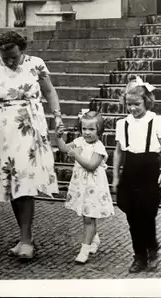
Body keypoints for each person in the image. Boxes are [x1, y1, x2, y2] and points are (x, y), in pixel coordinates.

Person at [0, 31, 63, 260]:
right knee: (11, 183)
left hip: (29, 127)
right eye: (5, 58)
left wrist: (58, 117)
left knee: (24, 180)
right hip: (4, 131)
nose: (9, 62)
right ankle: (25, 237)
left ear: (21, 49)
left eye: (13, 56)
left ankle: (26, 240)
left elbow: (49, 91)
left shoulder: (36, 64)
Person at [113, 75, 161, 273]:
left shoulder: (156, 121)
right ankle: (139, 256)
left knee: (147, 215)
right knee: (132, 217)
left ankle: (152, 248)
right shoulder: (123, 124)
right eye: (129, 105)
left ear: (146, 102)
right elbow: (119, 151)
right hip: (130, 170)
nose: (132, 109)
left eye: (136, 104)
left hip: (149, 170)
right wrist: (115, 176)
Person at [56, 111, 115, 264]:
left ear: (99, 130)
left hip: (94, 186)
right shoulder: (79, 141)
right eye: (84, 129)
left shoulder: (99, 148)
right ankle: (94, 238)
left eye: (91, 129)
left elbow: (90, 166)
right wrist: (59, 136)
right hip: (81, 185)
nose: (87, 133)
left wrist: (76, 156)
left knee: (89, 217)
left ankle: (84, 249)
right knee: (86, 215)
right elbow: (63, 148)